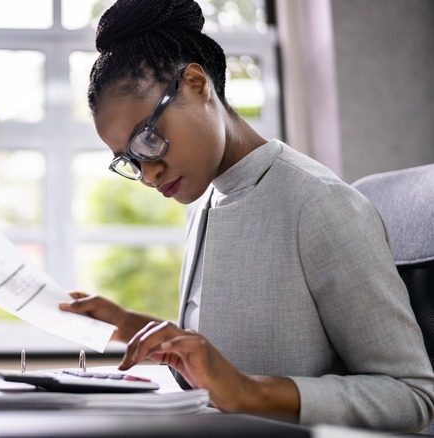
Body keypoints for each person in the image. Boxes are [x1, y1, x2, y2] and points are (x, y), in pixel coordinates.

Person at [58, 0, 434, 432]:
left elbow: (413, 396)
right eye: (129, 160)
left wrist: (249, 392)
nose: (146, 175)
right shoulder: (205, 201)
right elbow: (220, 364)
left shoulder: (320, 204)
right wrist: (130, 325)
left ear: (196, 84)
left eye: (147, 141)